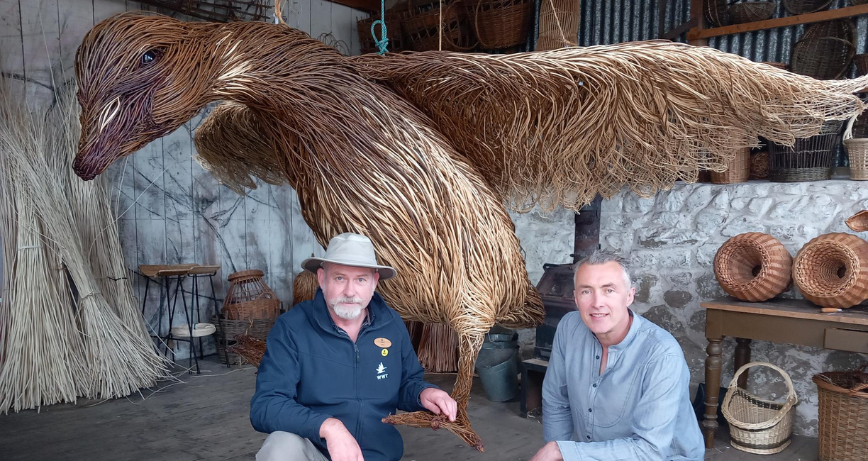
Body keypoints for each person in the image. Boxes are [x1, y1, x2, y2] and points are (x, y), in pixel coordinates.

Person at [251, 232, 457, 461]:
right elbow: (266, 404)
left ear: (374, 283)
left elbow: (406, 382)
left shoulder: (392, 325)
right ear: (322, 279)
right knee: (280, 446)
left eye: (360, 279)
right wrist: (329, 427)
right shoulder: (292, 327)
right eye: (339, 278)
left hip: (378, 456)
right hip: (316, 453)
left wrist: (424, 393)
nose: (350, 291)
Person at [530, 250, 705, 461]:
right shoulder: (569, 327)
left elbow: (650, 450)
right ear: (576, 298)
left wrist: (564, 452)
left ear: (629, 295)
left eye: (609, 290)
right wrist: (558, 451)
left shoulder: (662, 354)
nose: (597, 303)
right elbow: (556, 400)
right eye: (587, 291)